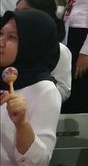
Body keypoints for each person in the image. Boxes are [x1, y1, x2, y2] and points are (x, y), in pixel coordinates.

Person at [0, 9, 62, 165]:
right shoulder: (4, 77)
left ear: (32, 43)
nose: (1, 41)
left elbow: (39, 161)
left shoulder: (45, 90)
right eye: (1, 34)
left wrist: (22, 124)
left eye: (11, 37)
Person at [15, 0, 72, 102]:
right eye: (17, 12)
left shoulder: (59, 50)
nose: (19, 17)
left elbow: (64, 91)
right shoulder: (9, 44)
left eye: (26, 11)